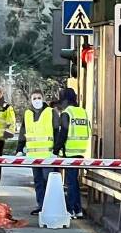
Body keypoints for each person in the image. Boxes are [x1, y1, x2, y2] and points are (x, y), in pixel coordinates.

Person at [15, 89, 57, 215]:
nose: (37, 100)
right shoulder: (27, 114)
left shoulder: (51, 112)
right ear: (30, 100)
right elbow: (23, 132)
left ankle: (51, 206)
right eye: (34, 98)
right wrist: (19, 149)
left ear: (43, 99)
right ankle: (41, 205)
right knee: (38, 181)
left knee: (47, 181)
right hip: (33, 155)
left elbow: (57, 131)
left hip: (48, 154)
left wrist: (56, 150)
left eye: (39, 98)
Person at [55, 87, 91, 219]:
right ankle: (78, 209)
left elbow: (63, 134)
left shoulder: (67, 113)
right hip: (81, 150)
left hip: (70, 151)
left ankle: (70, 210)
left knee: (70, 182)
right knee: (74, 180)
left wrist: (55, 150)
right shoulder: (83, 112)